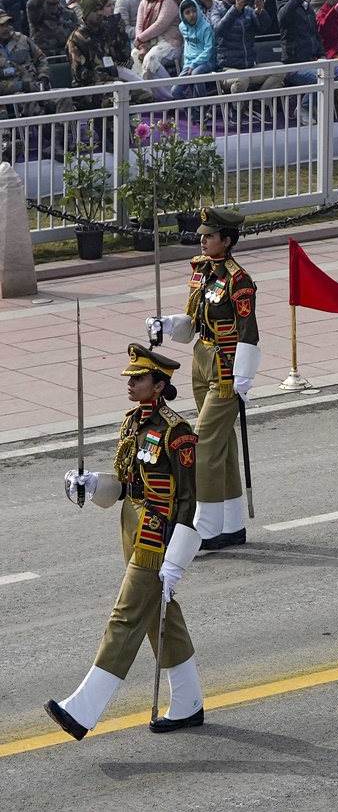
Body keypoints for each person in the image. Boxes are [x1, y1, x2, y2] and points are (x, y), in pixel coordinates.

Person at [49, 345, 206, 742]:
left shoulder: (177, 432)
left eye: (138, 378)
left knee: (125, 617)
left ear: (159, 383)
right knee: (159, 618)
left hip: (157, 533)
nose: (130, 383)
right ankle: (188, 703)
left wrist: (177, 558)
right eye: (130, 378)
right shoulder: (134, 422)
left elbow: (189, 500)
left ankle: (81, 710)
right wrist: (93, 484)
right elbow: (126, 484)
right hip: (130, 523)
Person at [145, 209, 260, 551]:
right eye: (202, 235)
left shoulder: (239, 281)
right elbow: (195, 321)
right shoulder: (201, 272)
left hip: (226, 369)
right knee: (221, 447)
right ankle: (232, 524)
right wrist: (166, 324)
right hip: (201, 361)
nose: (202, 239)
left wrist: (244, 375)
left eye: (209, 236)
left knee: (205, 445)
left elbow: (248, 332)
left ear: (226, 240)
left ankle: (206, 527)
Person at [174, 0, 215, 96]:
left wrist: (195, 64)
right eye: (187, 13)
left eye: (194, 11)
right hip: (189, 64)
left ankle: (204, 105)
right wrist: (188, 63)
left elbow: (208, 50)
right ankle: (193, 111)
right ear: (182, 15)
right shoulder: (182, 27)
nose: (192, 15)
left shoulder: (206, 28)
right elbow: (188, 45)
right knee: (175, 91)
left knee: (196, 74)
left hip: (206, 62)